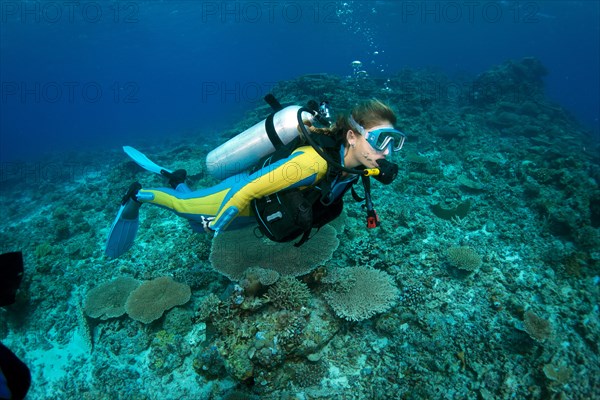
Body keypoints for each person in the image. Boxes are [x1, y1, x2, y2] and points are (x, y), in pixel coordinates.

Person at [105, 99, 406, 258]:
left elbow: (367, 174)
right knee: (185, 208)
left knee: (196, 227)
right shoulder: (312, 163)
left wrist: (378, 182)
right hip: (238, 194)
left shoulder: (357, 165)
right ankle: (139, 195)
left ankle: (175, 177)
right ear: (352, 136)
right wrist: (225, 216)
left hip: (256, 213)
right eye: (381, 140)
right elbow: (249, 189)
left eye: (394, 142)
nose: (387, 152)